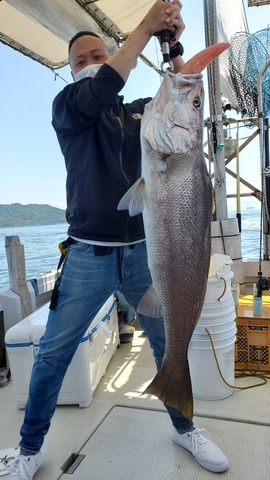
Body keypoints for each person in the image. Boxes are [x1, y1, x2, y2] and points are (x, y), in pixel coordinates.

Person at [8, 2, 229, 478]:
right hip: (87, 255)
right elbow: (104, 85)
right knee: (52, 353)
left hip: (144, 254)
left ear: (111, 56)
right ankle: (29, 450)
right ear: (72, 73)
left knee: (167, 343)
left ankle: (184, 425)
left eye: (97, 55)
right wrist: (144, 28)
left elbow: (180, 94)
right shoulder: (68, 109)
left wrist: (172, 45)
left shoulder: (137, 115)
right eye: (81, 61)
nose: (90, 64)